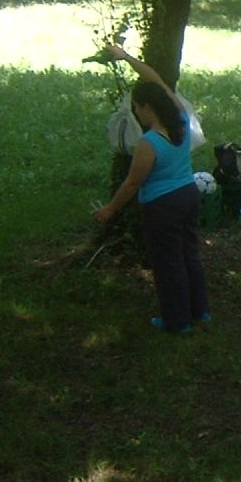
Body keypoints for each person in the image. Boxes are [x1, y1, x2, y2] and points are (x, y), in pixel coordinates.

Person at [93, 44, 209, 334]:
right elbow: (155, 80)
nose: (135, 112)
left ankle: (176, 321)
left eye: (137, 107)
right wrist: (126, 57)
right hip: (188, 195)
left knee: (168, 263)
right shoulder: (181, 119)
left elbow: (133, 182)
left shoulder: (149, 143)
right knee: (189, 254)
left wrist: (109, 209)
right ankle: (200, 310)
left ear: (147, 108)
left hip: (162, 205)